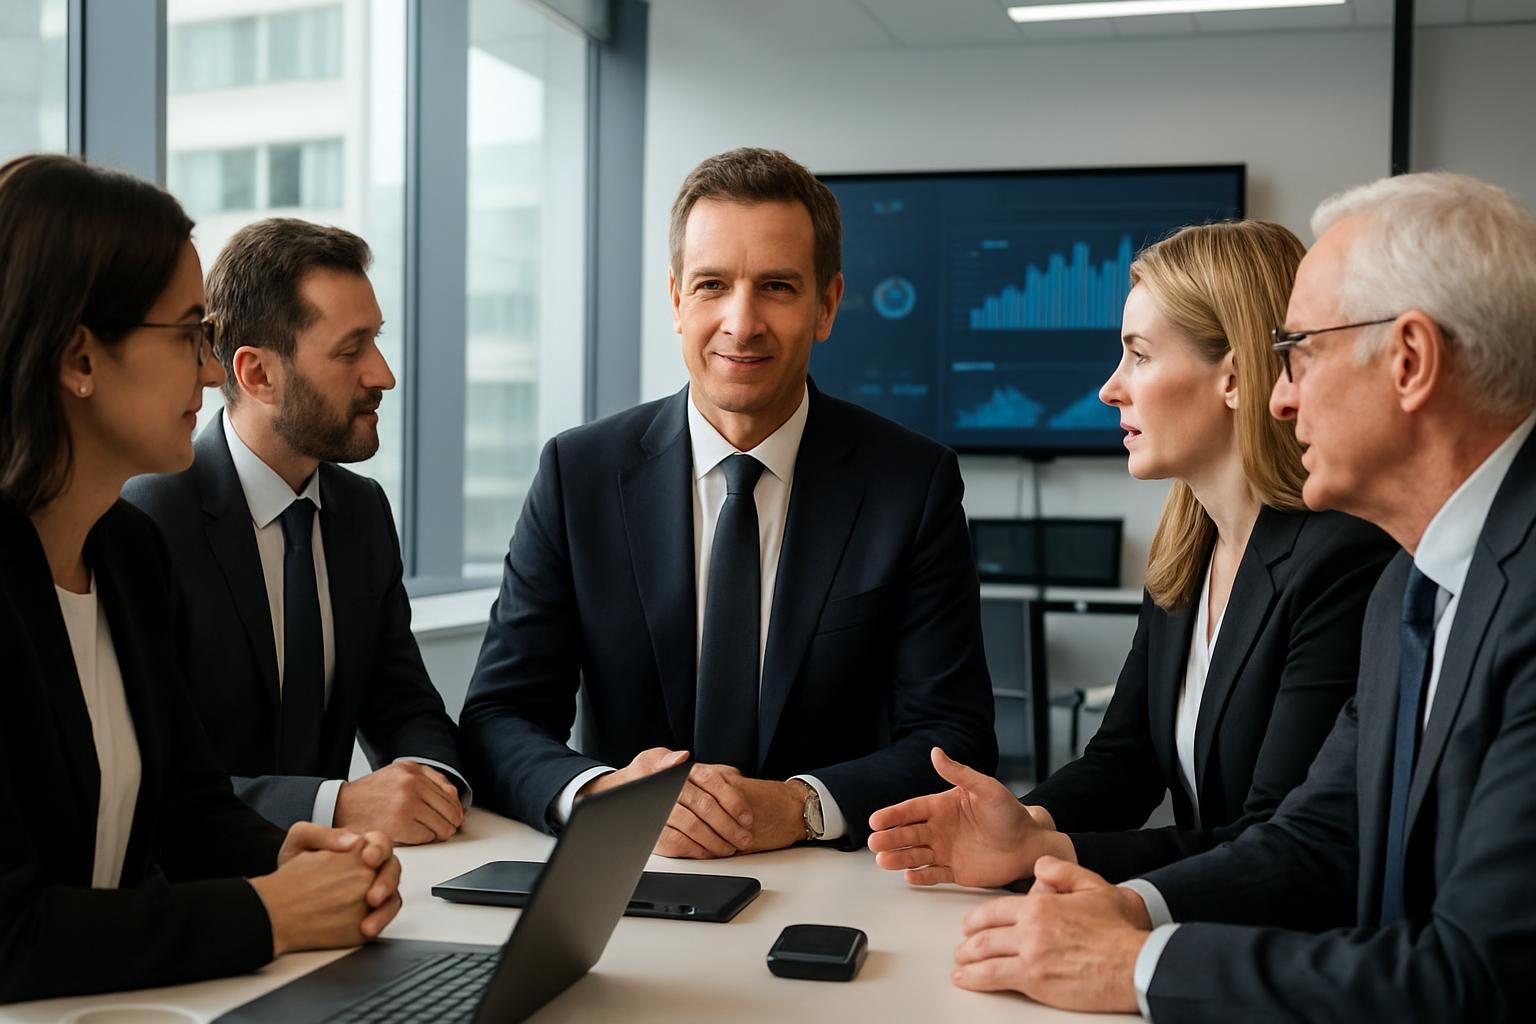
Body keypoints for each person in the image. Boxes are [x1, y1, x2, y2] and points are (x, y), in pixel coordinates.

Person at [940, 172, 1536, 1022]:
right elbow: (1322, 835)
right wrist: (1129, 908)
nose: (1281, 393)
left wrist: (1136, 966)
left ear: (1408, 361)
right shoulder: (1416, 580)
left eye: (1300, 353)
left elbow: (1475, 979)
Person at [460, 147, 996, 857]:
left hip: (829, 885)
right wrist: (601, 793)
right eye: (713, 285)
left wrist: (800, 806)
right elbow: (500, 715)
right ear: (677, 301)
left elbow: (954, 737)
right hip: (627, 878)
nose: (741, 323)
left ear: (827, 305)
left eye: (776, 286)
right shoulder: (579, 473)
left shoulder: (911, 484)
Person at [868, 220, 1395, 887]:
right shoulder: (1186, 550)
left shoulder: (1340, 562)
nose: (1110, 388)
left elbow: (1275, 839)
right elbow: (1126, 760)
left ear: (1233, 376)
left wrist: (1051, 857)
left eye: (1139, 355)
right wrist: (1025, 823)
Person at [0, 154, 402, 1002]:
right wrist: (272, 913)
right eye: (189, 335)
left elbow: (188, 811)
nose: (213, 370)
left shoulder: (127, 554)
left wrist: (290, 856)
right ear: (80, 357)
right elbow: (10, 934)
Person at [123, 219, 468, 844]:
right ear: (257, 375)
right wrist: (334, 804)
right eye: (349, 350)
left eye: (376, 342)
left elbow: (404, 705)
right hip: (207, 894)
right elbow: (153, 780)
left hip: (351, 885)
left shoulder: (361, 511)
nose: (383, 375)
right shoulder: (149, 519)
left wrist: (428, 780)